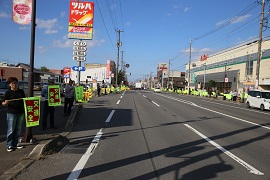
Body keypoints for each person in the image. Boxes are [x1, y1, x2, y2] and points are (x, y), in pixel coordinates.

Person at [2, 77, 25, 152]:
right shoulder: (8, 93)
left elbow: (24, 100)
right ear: (9, 85)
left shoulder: (21, 91)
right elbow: (3, 102)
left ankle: (15, 143)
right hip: (11, 112)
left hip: (20, 112)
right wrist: (5, 103)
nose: (14, 84)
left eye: (16, 83)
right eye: (13, 83)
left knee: (18, 129)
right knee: (11, 129)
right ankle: (9, 145)